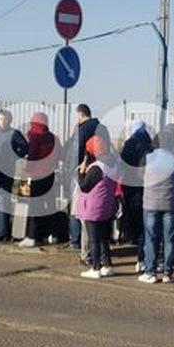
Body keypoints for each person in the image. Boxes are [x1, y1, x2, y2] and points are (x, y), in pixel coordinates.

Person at [139, 124, 174, 283]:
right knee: (169, 238)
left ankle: (150, 272)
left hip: (150, 202)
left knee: (151, 237)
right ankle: (168, 272)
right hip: (170, 202)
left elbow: (138, 174)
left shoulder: (148, 157)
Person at [76, 135, 117, 279]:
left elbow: (84, 186)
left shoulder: (97, 168)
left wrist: (81, 171)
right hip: (107, 207)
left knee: (94, 239)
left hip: (94, 208)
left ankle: (95, 267)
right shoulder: (112, 164)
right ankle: (107, 265)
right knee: (104, 238)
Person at [0, 110, 28, 241]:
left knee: (4, 201)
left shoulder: (14, 134)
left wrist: (14, 156)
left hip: (7, 171)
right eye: (0, 119)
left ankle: (4, 232)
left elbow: (25, 147)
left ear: (9, 120)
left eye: (5, 119)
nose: (2, 122)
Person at [19, 112, 58, 248]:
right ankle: (52, 234)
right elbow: (58, 154)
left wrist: (27, 170)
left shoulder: (35, 137)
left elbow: (33, 156)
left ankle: (32, 236)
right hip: (50, 175)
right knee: (50, 205)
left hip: (37, 176)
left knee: (35, 206)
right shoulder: (53, 137)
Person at [67, 104, 101, 250]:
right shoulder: (100, 127)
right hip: (96, 169)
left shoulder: (84, 128)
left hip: (80, 170)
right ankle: (90, 242)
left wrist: (73, 166)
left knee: (76, 207)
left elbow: (77, 148)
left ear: (81, 114)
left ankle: (75, 240)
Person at [120, 119, 153, 263]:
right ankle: (144, 255)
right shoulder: (150, 144)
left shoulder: (130, 144)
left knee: (137, 222)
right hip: (147, 187)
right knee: (146, 223)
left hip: (132, 187)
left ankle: (141, 256)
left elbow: (122, 163)